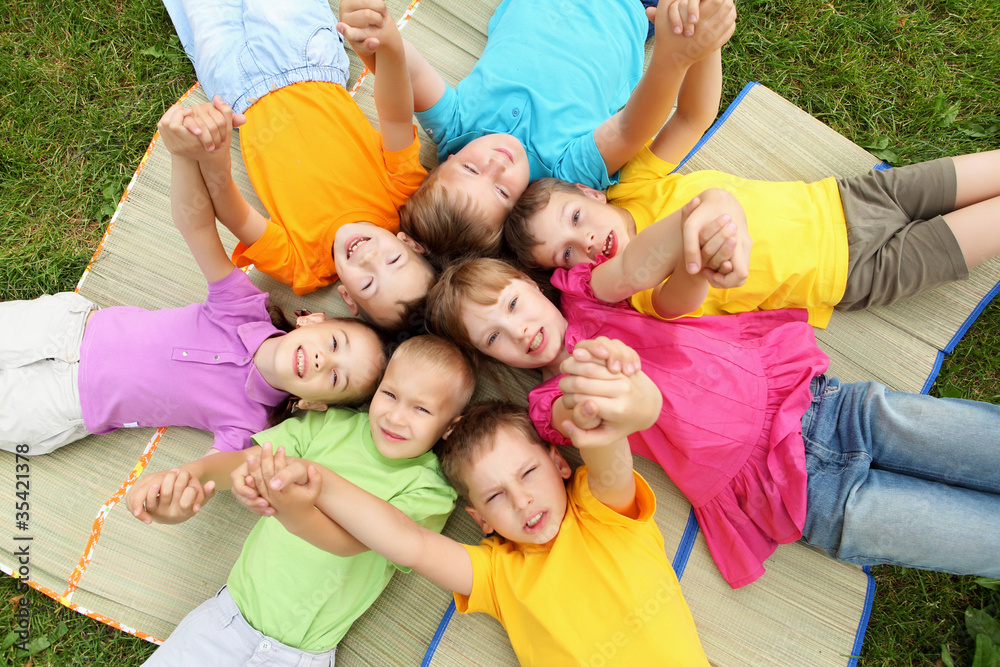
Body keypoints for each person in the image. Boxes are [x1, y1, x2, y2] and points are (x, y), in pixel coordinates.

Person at [424, 256, 1000, 588]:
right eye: (493, 337)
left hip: (830, 408)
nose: (517, 329)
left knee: (976, 441)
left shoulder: (596, 295)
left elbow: (652, 262)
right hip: (802, 494)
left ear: (533, 284)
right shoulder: (552, 404)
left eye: (513, 304)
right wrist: (608, 390)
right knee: (977, 536)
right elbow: (588, 421)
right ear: (492, 359)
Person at [0, 104, 385, 457]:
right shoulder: (243, 310)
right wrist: (183, 154)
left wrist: (182, 493)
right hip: (66, 330)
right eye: (335, 343)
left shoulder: (248, 424)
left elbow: (207, 474)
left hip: (64, 402)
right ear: (313, 319)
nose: (323, 359)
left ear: (313, 405)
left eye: (336, 376)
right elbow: (196, 226)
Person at [239, 384, 710, 664]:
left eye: (528, 474)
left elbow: (606, 445)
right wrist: (320, 483)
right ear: (480, 519)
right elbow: (408, 544)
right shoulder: (497, 572)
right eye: (496, 496)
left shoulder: (604, 513)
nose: (522, 499)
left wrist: (595, 407)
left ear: (560, 464)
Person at [504, 63, 1000, 327]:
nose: (584, 242)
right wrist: (702, 258)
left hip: (852, 197)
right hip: (856, 273)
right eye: (566, 254)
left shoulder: (635, 186)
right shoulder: (638, 294)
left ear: (593, 193)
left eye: (574, 218)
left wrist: (705, 43)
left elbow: (692, 116)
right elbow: (683, 298)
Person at [127, 334, 475, 666]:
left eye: (421, 410)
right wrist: (190, 474)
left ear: (449, 426)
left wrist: (294, 512)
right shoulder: (328, 426)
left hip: (299, 655)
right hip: (225, 621)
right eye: (390, 394)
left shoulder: (430, 489)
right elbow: (242, 463)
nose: (395, 417)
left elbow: (353, 543)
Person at [337, 0, 736, 262]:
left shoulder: (455, 129)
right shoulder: (561, 175)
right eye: (502, 190)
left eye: (471, 171)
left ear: (450, 160)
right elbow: (632, 127)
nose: (496, 163)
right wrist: (673, 58)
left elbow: (407, 75)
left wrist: (377, 39)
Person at [161, 0, 435, 330]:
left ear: (348, 297)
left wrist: (214, 159)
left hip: (235, 88)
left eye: (367, 284)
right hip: (304, 54)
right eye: (393, 260)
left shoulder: (302, 267)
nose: (368, 259)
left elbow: (236, 216)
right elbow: (395, 114)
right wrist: (389, 47)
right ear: (409, 243)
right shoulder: (403, 193)